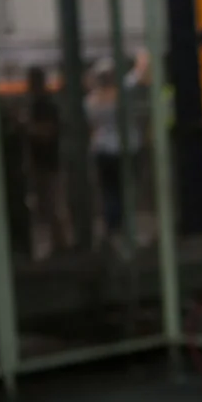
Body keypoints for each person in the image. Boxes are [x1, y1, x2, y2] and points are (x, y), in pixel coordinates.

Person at [84, 50, 149, 253]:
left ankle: (112, 231)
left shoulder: (91, 101)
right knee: (125, 191)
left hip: (102, 151)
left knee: (110, 193)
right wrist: (141, 52)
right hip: (125, 149)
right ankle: (123, 232)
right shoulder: (123, 92)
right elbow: (141, 72)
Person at [25, 66, 69, 255]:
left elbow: (48, 132)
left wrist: (27, 128)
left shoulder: (45, 105)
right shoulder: (37, 104)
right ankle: (57, 244)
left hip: (49, 162)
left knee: (54, 204)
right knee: (47, 205)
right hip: (42, 161)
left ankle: (61, 245)